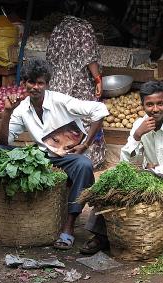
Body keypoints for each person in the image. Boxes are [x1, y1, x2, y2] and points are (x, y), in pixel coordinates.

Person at [80, 80, 163, 256]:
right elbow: (128, 163)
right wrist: (137, 136)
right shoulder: (140, 125)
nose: (155, 109)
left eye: (159, 103)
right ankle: (101, 235)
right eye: (150, 104)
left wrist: (155, 170)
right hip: (151, 174)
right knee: (117, 175)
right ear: (143, 106)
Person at [0, 58, 109, 250]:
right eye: (31, 82)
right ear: (24, 83)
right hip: (40, 157)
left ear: (47, 84)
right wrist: (7, 113)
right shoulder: (22, 108)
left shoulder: (60, 101)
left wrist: (85, 145)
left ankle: (69, 227)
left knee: (84, 165)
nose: (35, 87)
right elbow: (3, 142)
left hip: (67, 157)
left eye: (40, 83)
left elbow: (99, 110)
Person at [46, 15, 106, 170]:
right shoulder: (84, 28)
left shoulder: (58, 29)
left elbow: (50, 58)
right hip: (79, 82)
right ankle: (86, 160)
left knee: (60, 119)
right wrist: (98, 79)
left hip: (58, 81)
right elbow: (89, 58)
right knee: (84, 118)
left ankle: (60, 157)